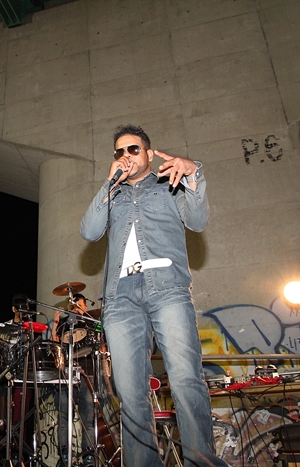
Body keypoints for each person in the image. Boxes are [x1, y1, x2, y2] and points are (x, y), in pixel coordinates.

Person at [80, 125, 225, 467]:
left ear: (148, 153)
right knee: (130, 393)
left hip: (167, 289)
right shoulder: (113, 193)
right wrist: (109, 182)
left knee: (186, 380)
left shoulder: (169, 184)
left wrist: (194, 174)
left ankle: (201, 463)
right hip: (121, 298)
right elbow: (89, 230)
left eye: (133, 149)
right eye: (119, 151)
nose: (126, 156)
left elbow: (198, 221)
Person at [49, 294, 96, 467]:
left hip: (86, 374)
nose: (76, 308)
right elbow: (54, 347)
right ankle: (65, 456)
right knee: (63, 417)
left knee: (88, 418)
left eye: (79, 305)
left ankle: (88, 457)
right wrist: (55, 323)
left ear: (85, 307)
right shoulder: (63, 324)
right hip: (66, 375)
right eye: (73, 306)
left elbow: (99, 343)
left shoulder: (90, 323)